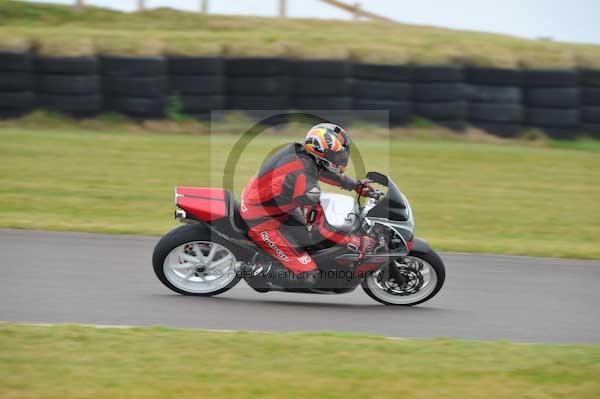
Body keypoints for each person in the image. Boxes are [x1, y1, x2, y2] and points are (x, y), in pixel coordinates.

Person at [240, 123, 377, 288]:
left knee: (311, 244)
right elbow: (320, 230)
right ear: (322, 154)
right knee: (308, 275)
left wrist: (355, 185)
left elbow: (321, 172)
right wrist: (354, 241)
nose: (341, 159)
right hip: (261, 220)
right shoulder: (304, 184)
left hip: (270, 205)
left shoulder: (304, 154)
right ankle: (250, 270)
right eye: (336, 156)